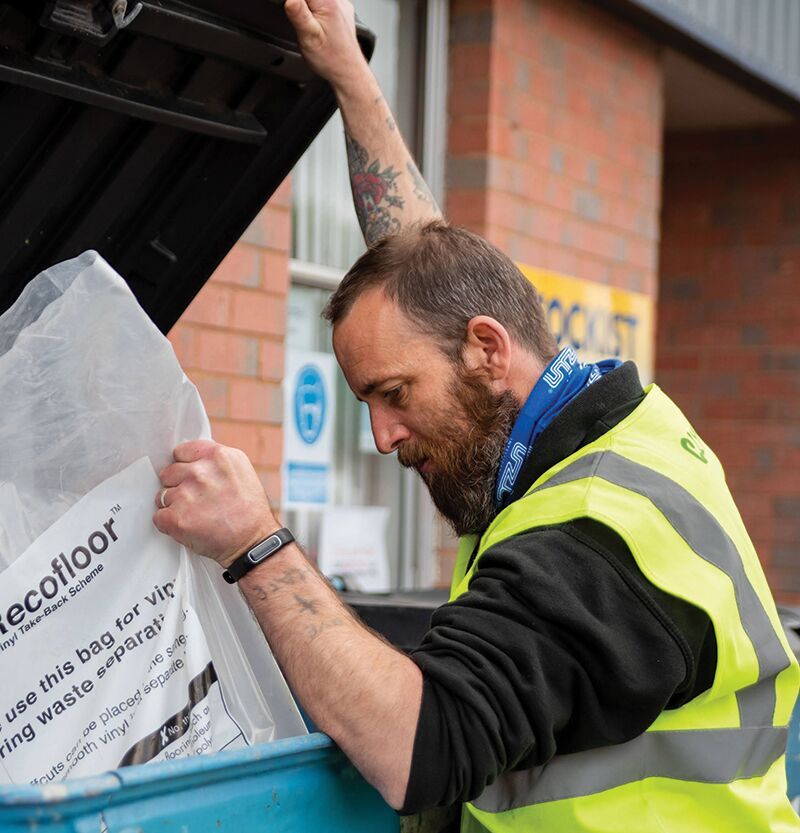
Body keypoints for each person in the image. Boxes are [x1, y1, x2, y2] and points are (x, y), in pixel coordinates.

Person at [153, 1, 800, 830]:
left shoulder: (603, 533)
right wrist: (352, 79)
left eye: (393, 394)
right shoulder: (579, 428)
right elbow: (422, 257)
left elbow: (416, 743)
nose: (382, 436)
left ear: (488, 350)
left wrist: (257, 544)